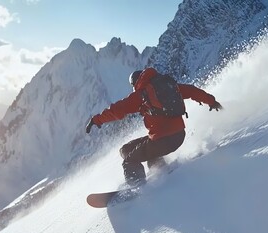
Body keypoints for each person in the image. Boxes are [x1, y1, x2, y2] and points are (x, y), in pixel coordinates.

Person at [85, 67, 222, 187]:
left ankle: (138, 187)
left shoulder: (141, 94)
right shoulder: (169, 86)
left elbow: (117, 109)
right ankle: (160, 170)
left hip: (163, 140)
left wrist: (97, 120)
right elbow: (192, 91)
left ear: (135, 82)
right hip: (178, 135)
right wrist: (211, 101)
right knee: (126, 149)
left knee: (129, 161)